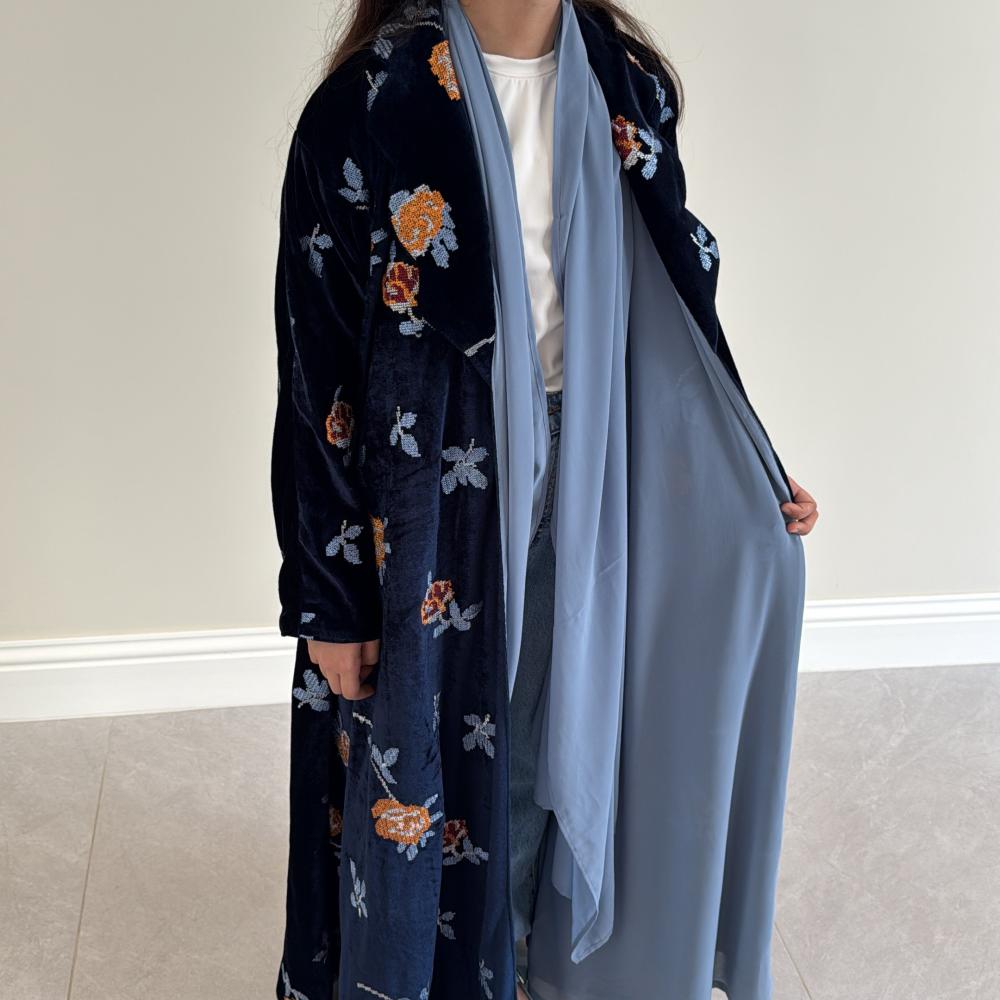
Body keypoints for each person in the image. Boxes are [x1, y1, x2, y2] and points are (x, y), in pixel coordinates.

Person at [270, 2, 819, 999]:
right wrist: (328, 598)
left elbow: (677, 292)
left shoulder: (627, 85)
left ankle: (522, 960)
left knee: (545, 732)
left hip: (604, 453)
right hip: (433, 494)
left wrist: (749, 463)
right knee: (417, 751)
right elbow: (319, 373)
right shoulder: (368, 104)